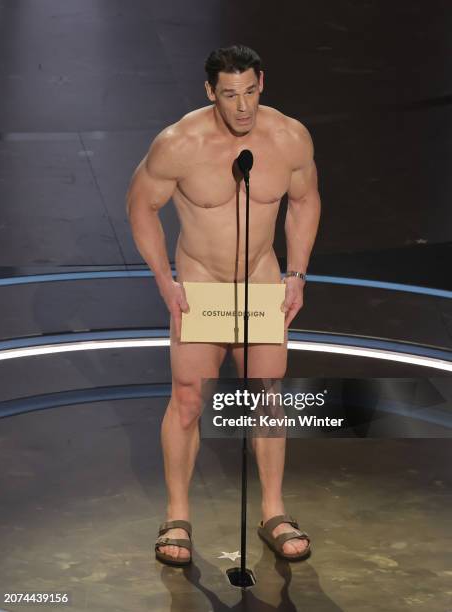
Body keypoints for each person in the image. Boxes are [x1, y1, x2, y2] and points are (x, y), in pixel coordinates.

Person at [126, 44, 321, 566]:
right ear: (210, 91)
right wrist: (165, 280)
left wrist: (297, 274)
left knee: (267, 396)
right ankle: (177, 516)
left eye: (250, 93)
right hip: (202, 283)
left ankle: (274, 513)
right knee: (189, 399)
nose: (242, 107)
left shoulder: (288, 137)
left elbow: (304, 201)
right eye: (230, 95)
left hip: (260, 281)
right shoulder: (179, 143)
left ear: (263, 83)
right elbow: (140, 206)